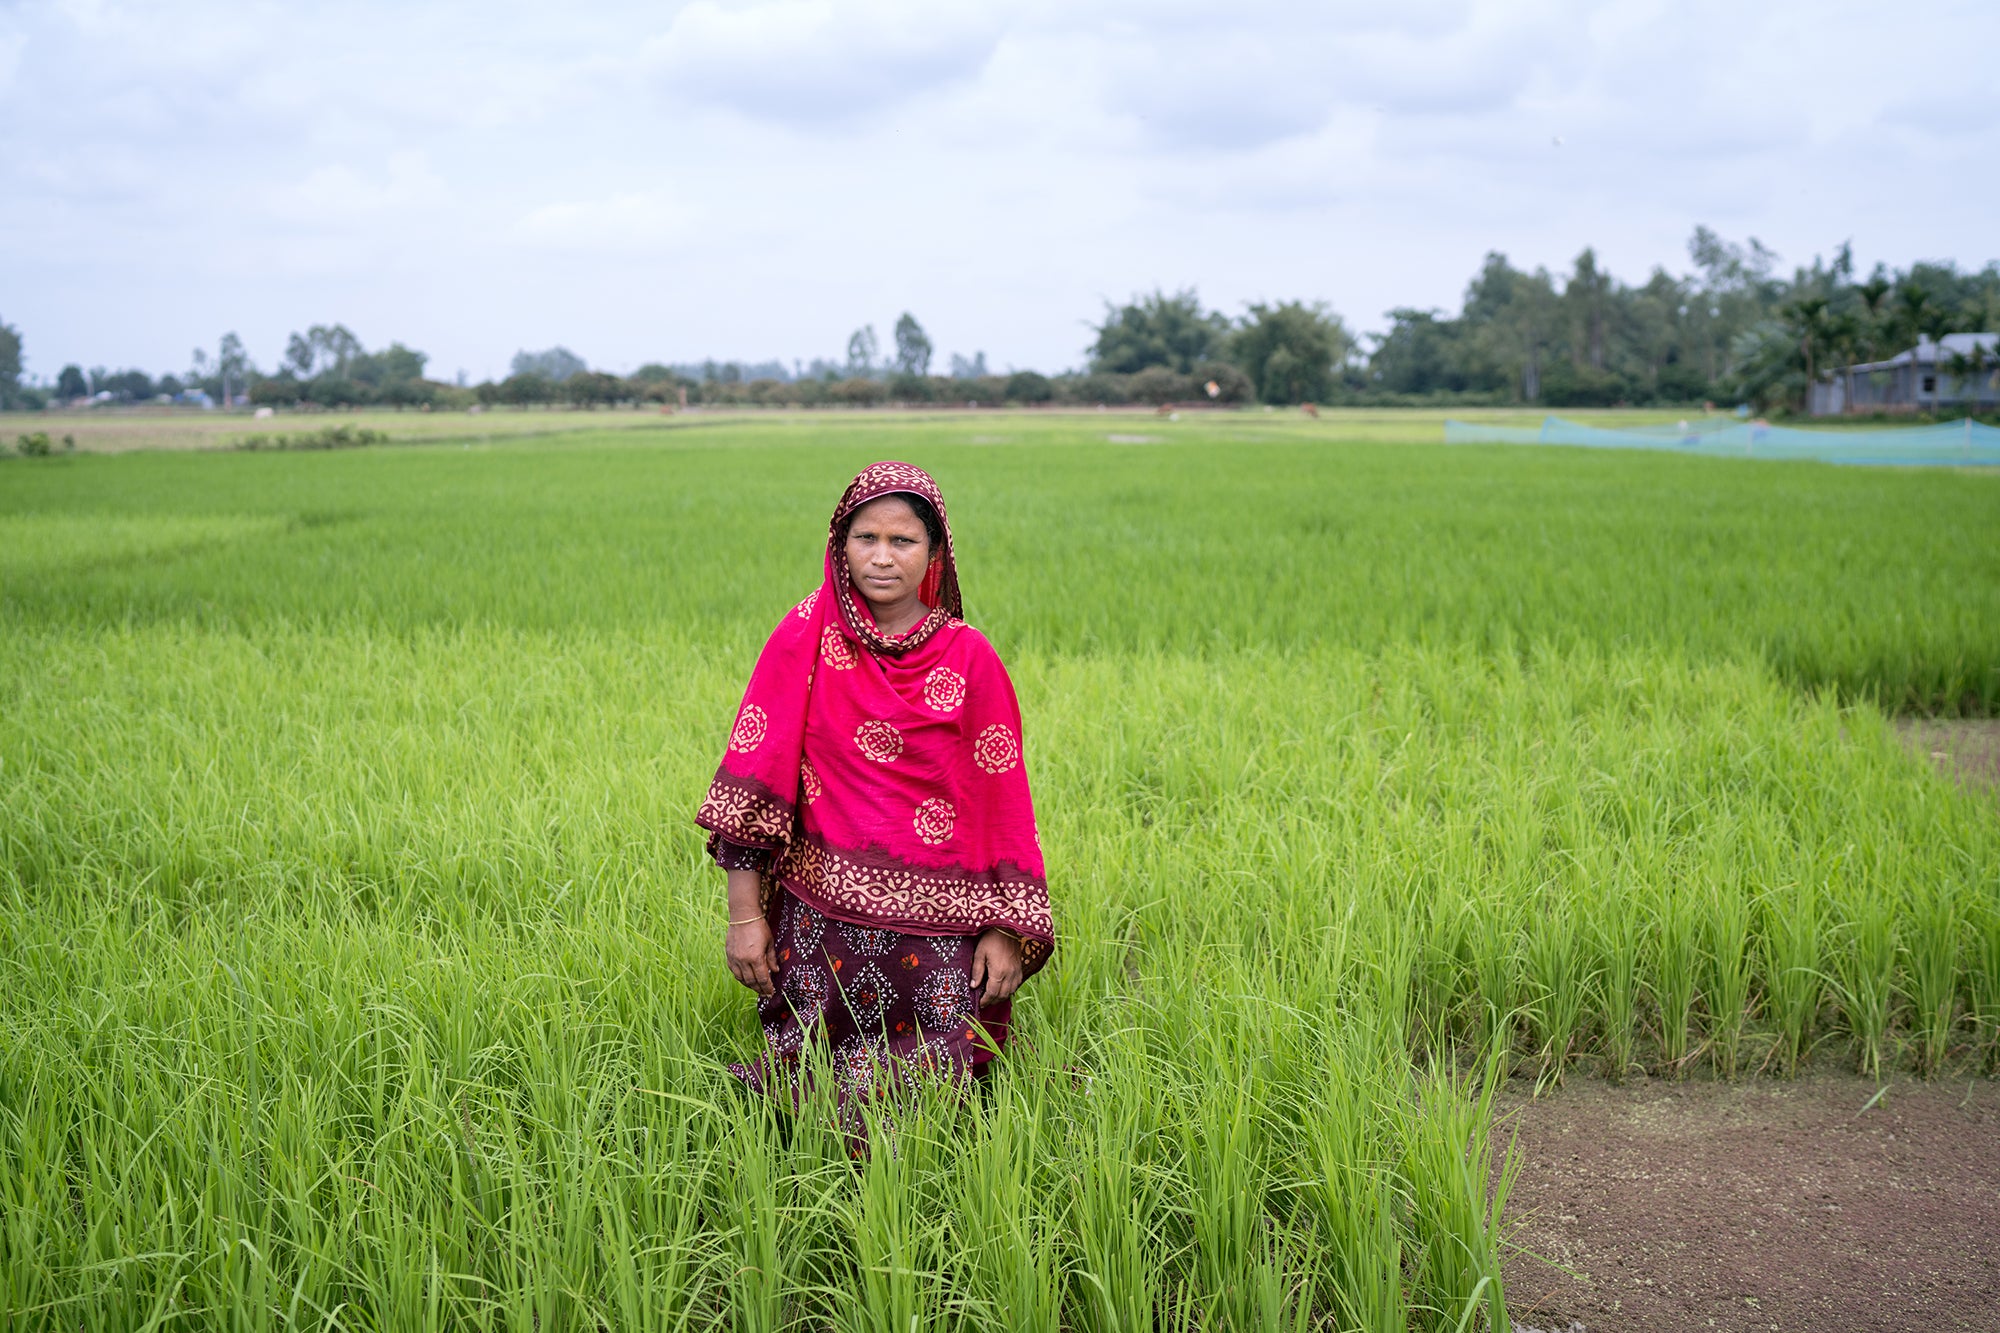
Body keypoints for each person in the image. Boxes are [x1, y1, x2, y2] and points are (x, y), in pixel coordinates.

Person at [697, 461, 1055, 1133]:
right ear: (840, 544)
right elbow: (755, 780)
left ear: (935, 553)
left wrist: (1006, 929)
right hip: (818, 929)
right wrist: (745, 918)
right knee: (799, 1101)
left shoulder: (970, 657)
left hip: (940, 938)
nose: (882, 557)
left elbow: (1003, 803)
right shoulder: (803, 637)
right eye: (866, 538)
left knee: (931, 1107)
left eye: (903, 541)